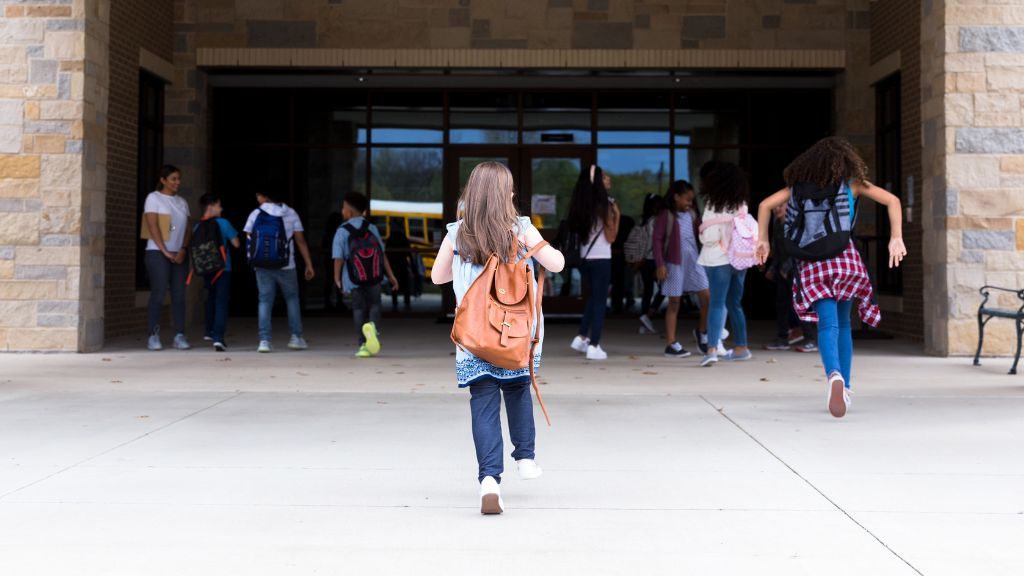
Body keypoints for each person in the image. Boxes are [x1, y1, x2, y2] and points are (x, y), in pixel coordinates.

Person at [430, 161, 565, 515]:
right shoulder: (521, 228)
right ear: (505, 194)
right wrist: (531, 247)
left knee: (484, 403)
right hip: (516, 333)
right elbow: (557, 264)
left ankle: (489, 480)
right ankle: (525, 457)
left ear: (471, 194)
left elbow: (437, 278)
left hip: (474, 336)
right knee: (518, 389)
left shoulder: (457, 233)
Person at [756, 136, 906, 418]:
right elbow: (892, 201)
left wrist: (763, 240)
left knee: (827, 325)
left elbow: (765, 205)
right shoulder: (852, 184)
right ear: (845, 161)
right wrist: (895, 237)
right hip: (845, 259)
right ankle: (845, 386)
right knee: (844, 325)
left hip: (813, 263)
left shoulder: (797, 189)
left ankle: (833, 375)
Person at [243, 191, 315, 353]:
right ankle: (296, 338)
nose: (257, 198)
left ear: (265, 196)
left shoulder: (256, 213)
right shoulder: (290, 213)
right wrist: (308, 264)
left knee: (265, 300)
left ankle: (264, 341)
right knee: (292, 299)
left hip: (262, 266)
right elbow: (300, 241)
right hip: (286, 264)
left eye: (258, 195)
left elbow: (250, 238)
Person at [697, 163, 752, 367]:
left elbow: (709, 237)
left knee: (716, 303)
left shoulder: (713, 203)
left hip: (718, 258)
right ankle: (741, 347)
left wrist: (705, 233)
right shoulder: (742, 203)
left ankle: (711, 349)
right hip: (740, 258)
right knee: (735, 304)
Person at [332, 192, 399, 358]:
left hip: (354, 278)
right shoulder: (371, 228)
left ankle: (362, 344)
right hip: (375, 276)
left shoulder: (342, 231)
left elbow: (338, 258)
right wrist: (391, 275)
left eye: (343, 208)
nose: (342, 211)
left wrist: (337, 278)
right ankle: (373, 330)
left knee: (358, 308)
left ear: (349, 212)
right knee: (375, 304)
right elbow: (382, 254)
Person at [567, 165, 620, 360]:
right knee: (600, 302)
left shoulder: (581, 205)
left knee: (593, 298)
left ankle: (581, 337)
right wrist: (618, 215)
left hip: (584, 258)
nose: (608, 179)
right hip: (601, 258)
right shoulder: (604, 204)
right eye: (604, 177)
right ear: (597, 181)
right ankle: (595, 345)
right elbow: (611, 236)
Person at [653, 181, 710, 358]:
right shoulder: (666, 215)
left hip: (694, 262)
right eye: (687, 200)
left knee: (707, 297)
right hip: (674, 264)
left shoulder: (692, 214)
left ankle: (702, 332)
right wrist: (660, 264)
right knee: (674, 302)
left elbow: (703, 232)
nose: (689, 204)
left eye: (692, 200)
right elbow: (657, 240)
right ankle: (671, 344)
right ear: (676, 197)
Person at [143, 165, 191, 351]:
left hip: (179, 254)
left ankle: (179, 335)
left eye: (178, 178)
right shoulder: (153, 198)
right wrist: (164, 251)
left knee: (179, 295)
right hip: (157, 253)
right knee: (159, 292)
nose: (177, 182)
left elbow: (187, 229)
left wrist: (183, 249)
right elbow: (152, 225)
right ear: (163, 180)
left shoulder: (182, 202)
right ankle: (153, 335)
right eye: (173, 179)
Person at [764, 203, 817, 353]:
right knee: (781, 305)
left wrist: (787, 268)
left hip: (797, 269)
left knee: (801, 304)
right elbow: (776, 248)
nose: (777, 209)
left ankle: (810, 339)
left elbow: (800, 247)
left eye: (781, 206)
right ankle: (782, 338)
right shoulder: (776, 223)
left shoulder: (796, 223)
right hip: (782, 268)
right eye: (776, 206)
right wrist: (774, 268)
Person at [195, 193, 240, 352]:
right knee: (221, 301)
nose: (221, 208)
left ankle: (208, 331)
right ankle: (218, 338)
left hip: (207, 270)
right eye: (219, 205)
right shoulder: (224, 223)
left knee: (211, 299)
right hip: (223, 269)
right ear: (211, 206)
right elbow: (236, 244)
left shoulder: (197, 226)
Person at [636, 194, 667, 334]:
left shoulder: (643, 221)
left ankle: (644, 323)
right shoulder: (657, 221)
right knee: (664, 288)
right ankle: (649, 314)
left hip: (643, 260)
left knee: (647, 292)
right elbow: (657, 242)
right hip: (655, 259)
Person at [386, 227, 415, 312]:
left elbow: (386, 253)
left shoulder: (390, 239)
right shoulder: (404, 238)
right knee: (406, 284)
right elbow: (409, 252)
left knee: (394, 284)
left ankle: (394, 302)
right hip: (403, 264)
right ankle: (407, 301)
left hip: (393, 265)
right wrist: (412, 265)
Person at [322, 209, 346, 311]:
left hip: (329, 259)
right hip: (336, 259)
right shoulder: (339, 232)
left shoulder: (327, 233)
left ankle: (328, 301)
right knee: (338, 281)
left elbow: (323, 246)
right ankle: (339, 302)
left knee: (330, 281)